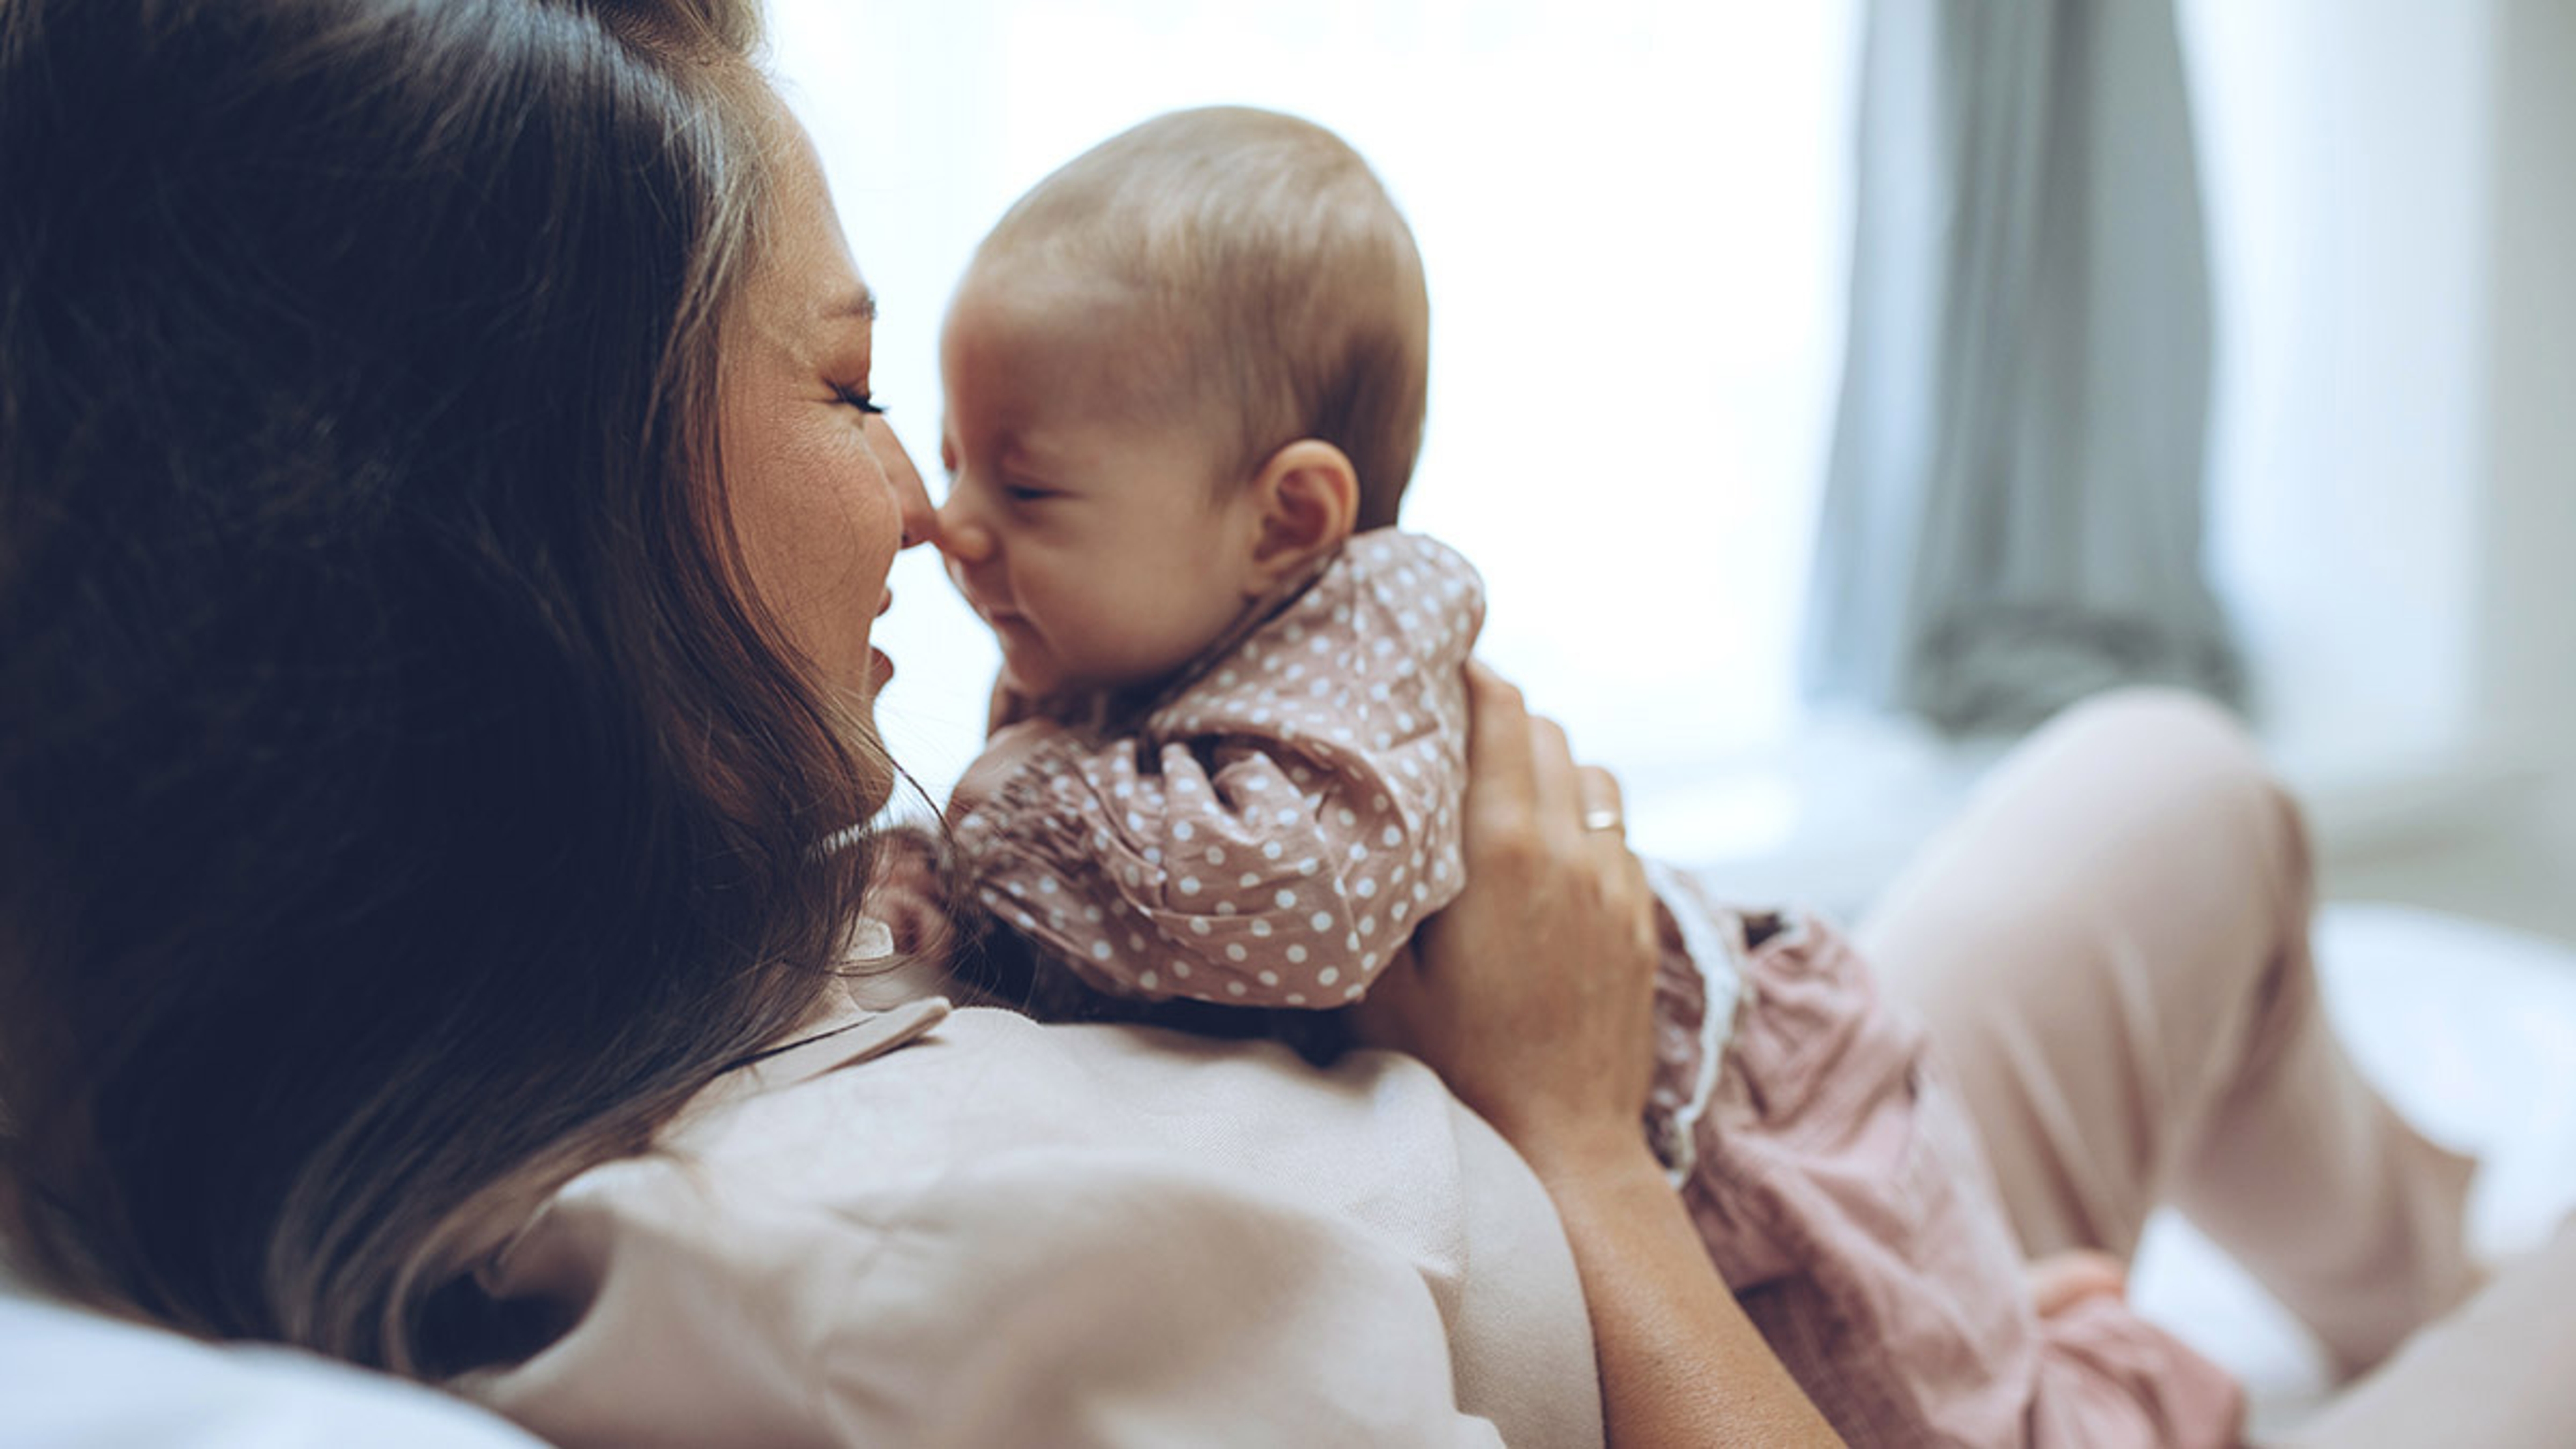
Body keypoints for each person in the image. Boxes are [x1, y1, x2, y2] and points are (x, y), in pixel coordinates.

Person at [2, 2, 2567, 1446]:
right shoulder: (913, 1310)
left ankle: (2392, 1265)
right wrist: (1576, 1130)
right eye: (849, 389)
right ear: (527, 538)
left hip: (1740, 1154)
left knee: (2167, 778)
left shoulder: (595, 922)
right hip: (1739, 1307)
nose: (929, 515)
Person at [912, 104, 2245, 1442]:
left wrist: (986, 818)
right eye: (953, 451)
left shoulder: (1370, 616)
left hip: (1742, 1140)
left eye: (1025, 490)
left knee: (1956, 1414)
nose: (947, 521)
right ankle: (2021, 1316)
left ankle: (2132, 1384)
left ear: (1288, 519)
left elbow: (1292, 904)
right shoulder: (1110, 652)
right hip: (1662, 1141)